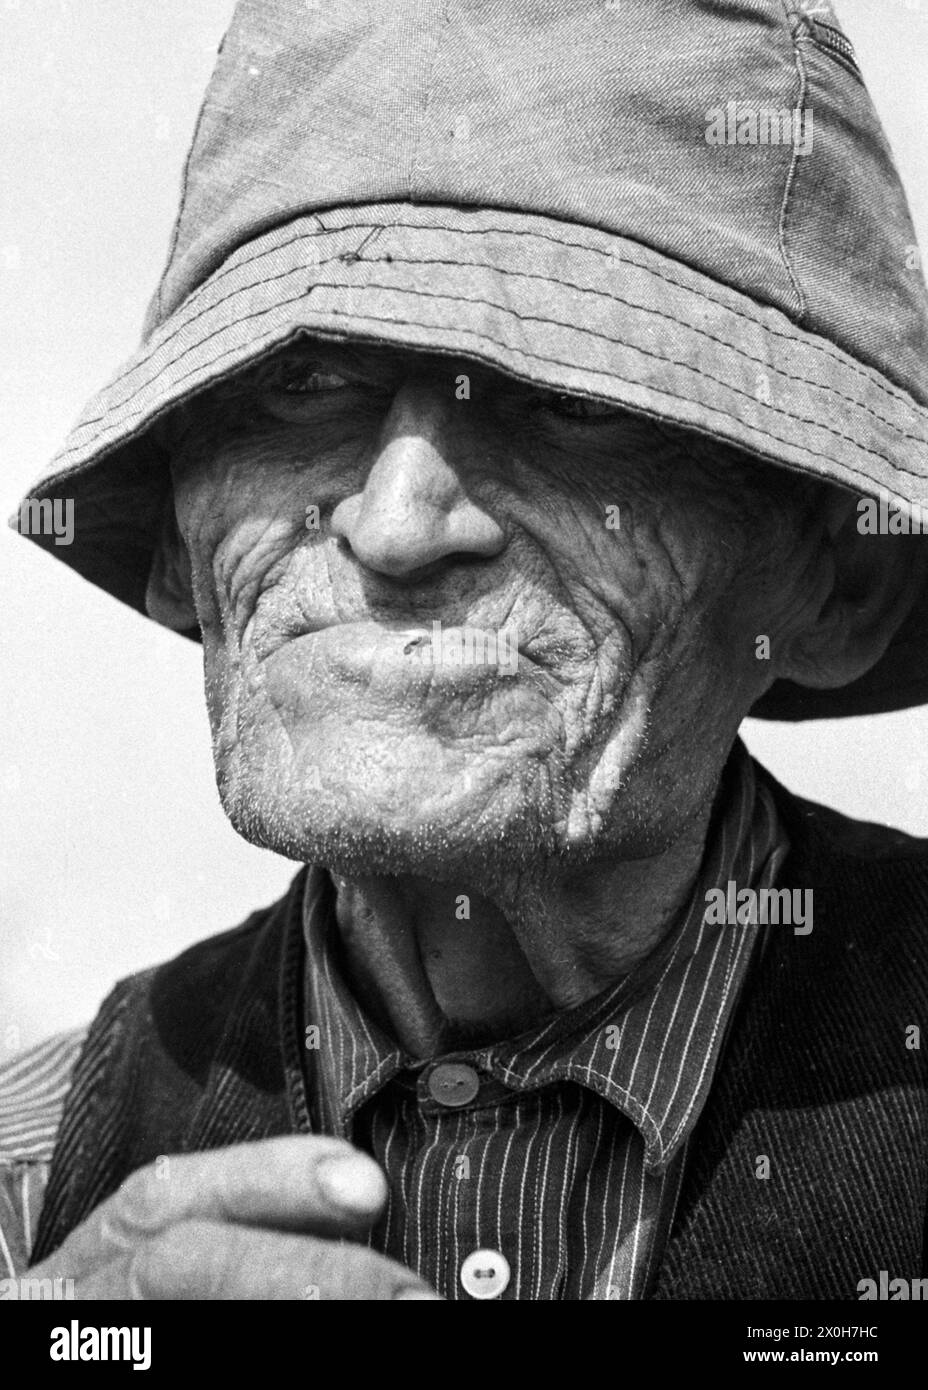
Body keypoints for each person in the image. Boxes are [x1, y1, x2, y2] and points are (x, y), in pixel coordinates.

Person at [3, 0, 927, 1300]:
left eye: (576, 400)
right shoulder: (31, 1177)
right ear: (177, 537)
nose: (395, 525)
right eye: (304, 385)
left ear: (841, 574)